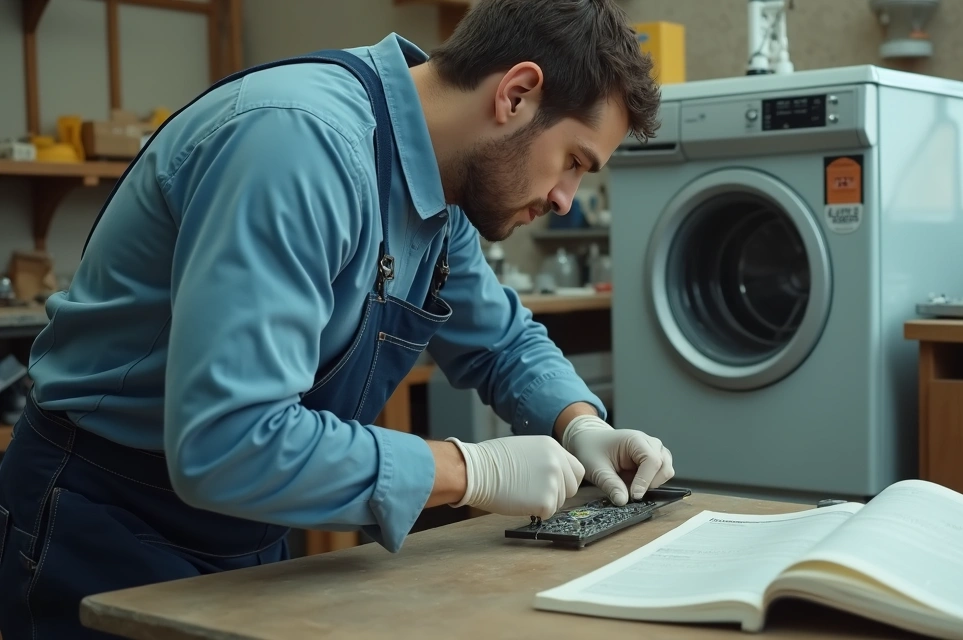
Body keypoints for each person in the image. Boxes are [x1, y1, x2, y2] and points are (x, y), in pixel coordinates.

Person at [0, 1, 675, 637]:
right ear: (516, 94)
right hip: (101, 524)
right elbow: (228, 441)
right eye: (574, 162)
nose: (565, 199)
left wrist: (581, 423)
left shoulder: (438, 188)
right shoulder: (297, 144)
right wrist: (472, 470)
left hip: (248, 525)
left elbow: (500, 341)